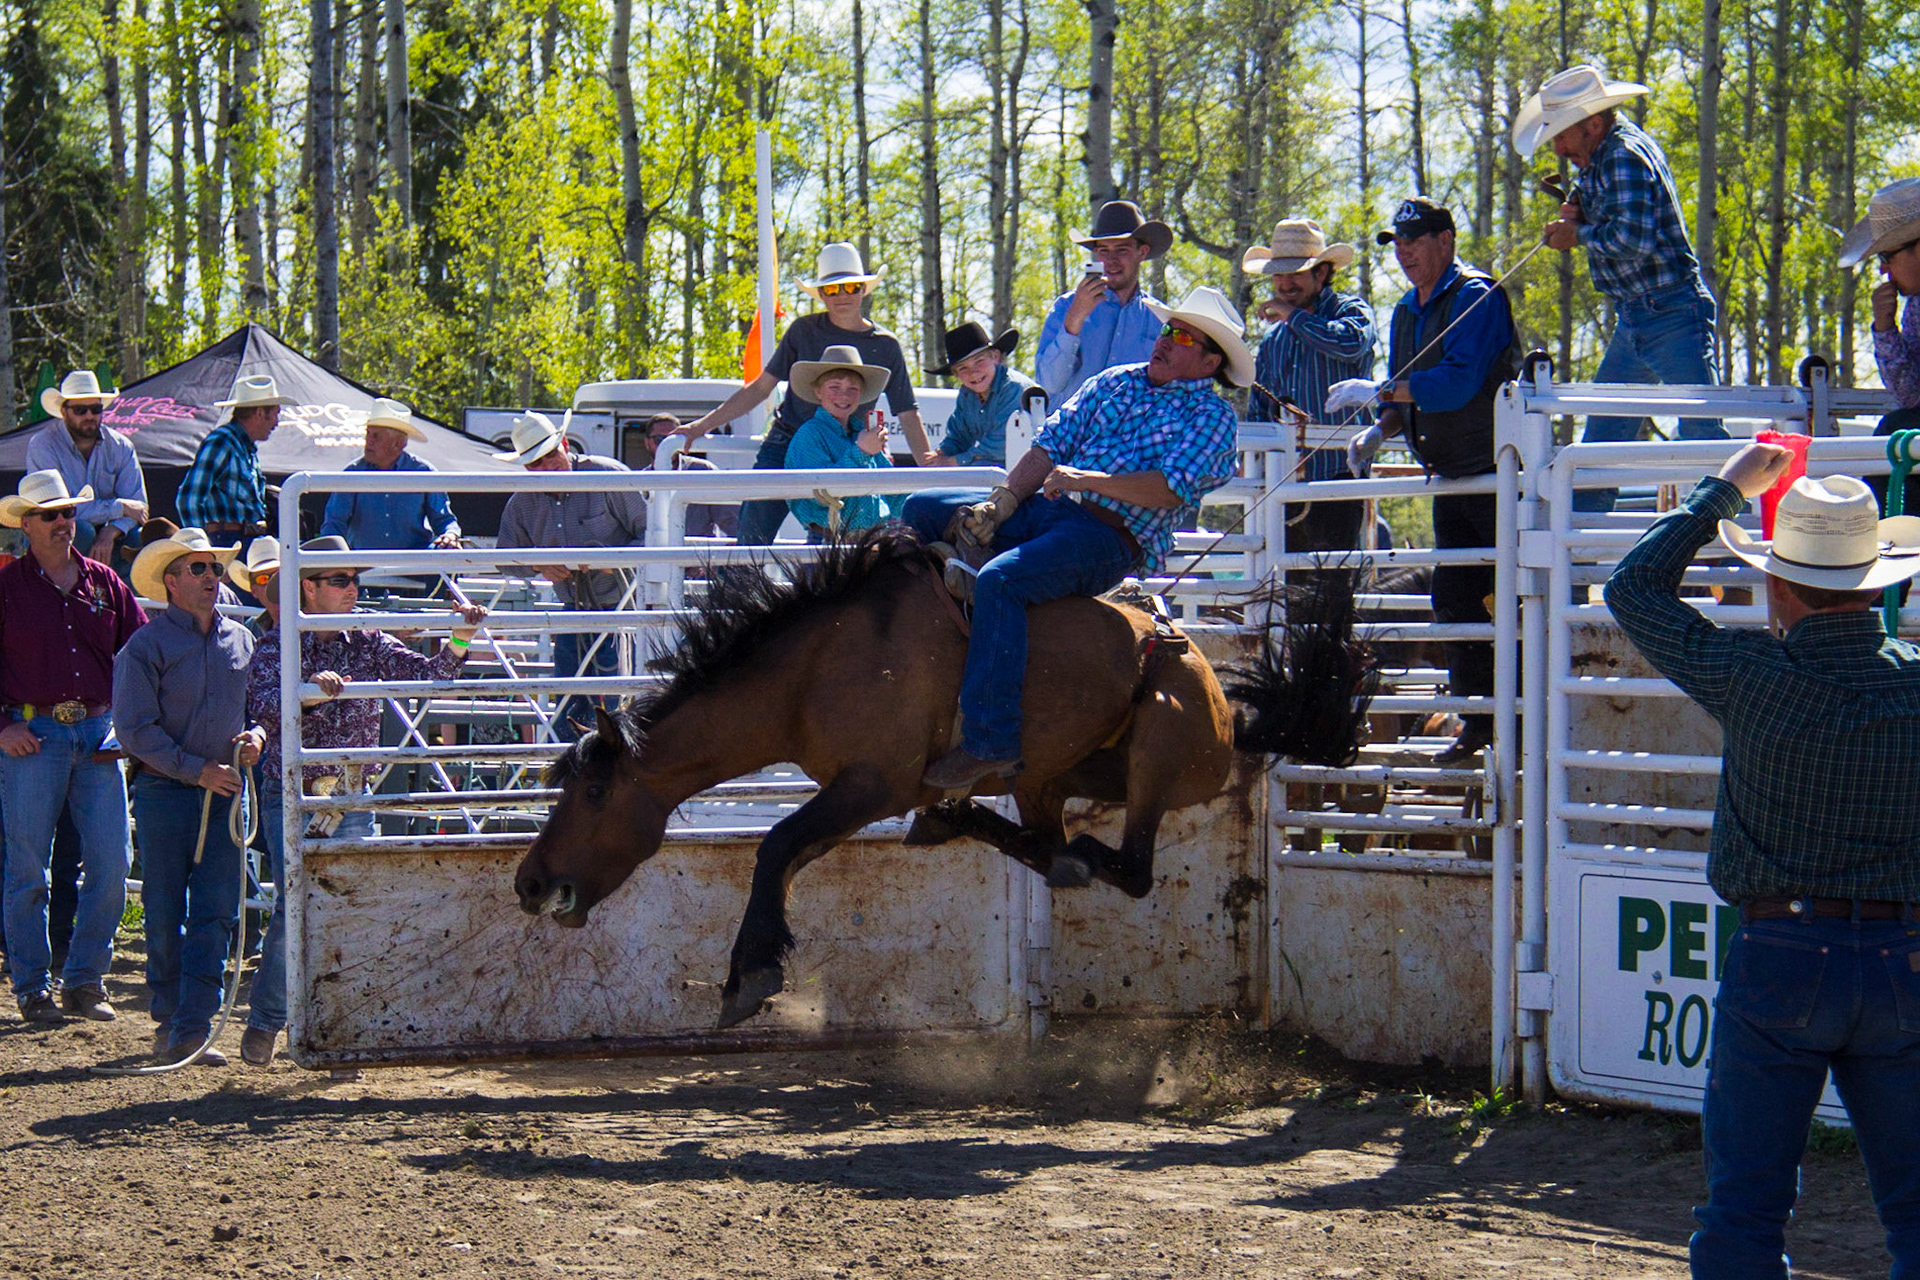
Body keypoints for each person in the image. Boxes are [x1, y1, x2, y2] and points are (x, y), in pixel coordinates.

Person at [1603, 442, 1920, 1279]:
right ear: (1878, 585)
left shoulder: (1753, 674)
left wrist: (1727, 490)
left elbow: (1632, 589)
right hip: (1905, 957)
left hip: (1782, 951)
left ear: (1778, 587)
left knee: (1744, 1206)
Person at [902, 285, 1249, 789]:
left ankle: (991, 736)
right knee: (919, 508)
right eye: (1167, 330)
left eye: (1182, 337)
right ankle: (921, 669)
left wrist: (1088, 481)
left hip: (1108, 536)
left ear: (1210, 362)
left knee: (1002, 580)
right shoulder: (1114, 381)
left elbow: (1169, 489)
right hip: (1048, 506)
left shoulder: (1212, 417)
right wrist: (1002, 503)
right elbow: (1050, 445)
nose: (1164, 340)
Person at [239, 537, 485, 1066]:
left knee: (351, 904)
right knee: (296, 905)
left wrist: (461, 635)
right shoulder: (278, 645)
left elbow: (431, 676)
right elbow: (264, 706)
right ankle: (268, 1020)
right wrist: (306, 692)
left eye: (353, 580)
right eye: (340, 580)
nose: (352, 589)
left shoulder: (366, 640)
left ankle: (342, 1022)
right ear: (309, 587)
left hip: (350, 793)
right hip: (297, 791)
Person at [1344, 197, 1516, 765]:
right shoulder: (1405, 309)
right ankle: (1479, 719)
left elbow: (1456, 383)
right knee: (1455, 596)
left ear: (1446, 241)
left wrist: (1384, 393)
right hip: (1450, 474)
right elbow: (1404, 390)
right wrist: (1380, 428)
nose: (1404, 252)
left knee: (1511, 593)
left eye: (1415, 240)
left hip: (1495, 470)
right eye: (1397, 242)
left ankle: (1518, 714)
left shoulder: (1476, 295)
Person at [1516, 64, 1724, 514]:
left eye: (1562, 135)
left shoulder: (1622, 156)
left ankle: (1730, 542)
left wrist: (1577, 234)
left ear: (1593, 124)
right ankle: (1578, 543)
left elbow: (1634, 240)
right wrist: (1582, 215)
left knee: (1700, 434)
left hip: (1669, 312)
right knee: (1604, 443)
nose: (1559, 148)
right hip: (1642, 315)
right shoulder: (1609, 155)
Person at [0, 472, 147, 1024]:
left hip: (97, 729)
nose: (63, 522)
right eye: (50, 515)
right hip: (32, 732)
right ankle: (33, 986)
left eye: (67, 512)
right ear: (26, 524)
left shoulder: (105, 581)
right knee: (28, 868)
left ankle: (84, 979)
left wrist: (128, 725)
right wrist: (2, 727)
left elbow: (141, 656)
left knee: (113, 862)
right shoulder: (6, 587)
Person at [113, 526, 262, 1065]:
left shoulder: (243, 640)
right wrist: (196, 770)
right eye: (197, 568)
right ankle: (171, 1017)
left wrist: (257, 738)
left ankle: (192, 1025)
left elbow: (260, 711)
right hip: (166, 791)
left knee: (217, 910)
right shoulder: (144, 647)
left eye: (214, 568)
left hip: (224, 793)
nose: (210, 577)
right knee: (162, 910)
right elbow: (134, 729)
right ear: (171, 581)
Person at [673, 243, 930, 546]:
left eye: (851, 286)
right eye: (832, 288)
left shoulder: (886, 344)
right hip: (787, 441)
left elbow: (908, 413)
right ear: (820, 294)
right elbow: (761, 387)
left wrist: (931, 472)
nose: (842, 295)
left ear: (863, 289)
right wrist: (701, 426)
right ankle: (737, 578)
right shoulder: (802, 331)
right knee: (752, 539)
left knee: (836, 540)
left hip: (844, 449)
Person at [493, 413, 648, 738]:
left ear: (564, 444)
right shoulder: (522, 503)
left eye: (551, 455)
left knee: (616, 703)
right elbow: (503, 557)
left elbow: (652, 534)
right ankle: (572, 762)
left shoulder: (606, 476)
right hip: (574, 614)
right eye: (536, 463)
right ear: (527, 468)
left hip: (622, 613)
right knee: (570, 705)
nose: (547, 467)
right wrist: (538, 564)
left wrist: (614, 560)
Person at [1241, 217, 1376, 569]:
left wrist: (1293, 317)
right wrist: (1252, 465)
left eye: (1295, 274)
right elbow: (1261, 407)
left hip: (1340, 472)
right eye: (1279, 275)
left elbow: (1351, 343)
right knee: (1287, 580)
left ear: (1321, 273)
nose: (1285, 284)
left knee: (1334, 578)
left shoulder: (1351, 311)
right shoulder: (1273, 340)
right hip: (1285, 478)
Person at [1034, 200, 1172, 403]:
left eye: (1122, 250)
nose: (1111, 260)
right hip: (1072, 423)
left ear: (1142, 252)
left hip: (1131, 424)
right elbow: (1049, 383)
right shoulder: (1066, 306)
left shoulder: (1161, 319)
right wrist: (1075, 318)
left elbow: (1170, 389)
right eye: (1103, 251)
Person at [1840, 178, 1920, 515]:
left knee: (1895, 429)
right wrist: (1885, 329)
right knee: (1898, 428)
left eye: (1887, 255)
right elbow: (1912, 395)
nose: (1884, 269)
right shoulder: (1916, 304)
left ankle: (1879, 534)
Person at [28, 369, 150, 565]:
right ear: (64, 412)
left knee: (138, 537)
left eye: (95, 409)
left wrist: (111, 531)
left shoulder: (121, 446)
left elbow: (138, 508)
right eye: (80, 410)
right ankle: (65, 585)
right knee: (82, 531)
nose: (89, 415)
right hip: (56, 528)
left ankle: (119, 587)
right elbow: (59, 510)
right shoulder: (43, 445)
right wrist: (120, 507)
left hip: (105, 533)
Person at [318, 398, 462, 552]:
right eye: (368, 433)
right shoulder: (352, 473)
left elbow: (443, 520)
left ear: (399, 443)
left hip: (415, 563)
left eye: (376, 436)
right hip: (364, 563)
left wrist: (450, 534)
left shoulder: (424, 472)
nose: (368, 441)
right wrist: (334, 555)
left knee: (448, 551)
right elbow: (334, 524)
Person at [784, 347, 898, 538]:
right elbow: (821, 493)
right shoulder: (809, 434)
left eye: (853, 389)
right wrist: (862, 451)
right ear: (818, 392)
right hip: (830, 538)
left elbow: (892, 488)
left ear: (860, 394)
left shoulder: (861, 432)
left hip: (873, 538)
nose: (844, 396)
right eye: (834, 387)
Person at [178, 373, 289, 544]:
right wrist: (202, 546)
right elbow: (188, 499)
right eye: (275, 414)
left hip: (249, 539)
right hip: (228, 541)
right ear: (259, 413)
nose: (276, 422)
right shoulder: (222, 442)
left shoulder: (245, 448)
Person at [925, 322, 1032, 468]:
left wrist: (953, 462)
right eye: (963, 368)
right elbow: (959, 436)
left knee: (971, 472)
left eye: (979, 361)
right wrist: (940, 454)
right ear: (956, 374)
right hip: (1002, 469)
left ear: (995, 357)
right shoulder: (967, 394)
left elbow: (1000, 446)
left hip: (1032, 469)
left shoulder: (1014, 388)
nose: (973, 372)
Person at [632, 413, 738, 541]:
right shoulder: (640, 483)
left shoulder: (702, 471)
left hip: (697, 552)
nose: (666, 444)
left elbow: (731, 520)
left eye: (672, 439)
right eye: (659, 439)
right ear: (647, 443)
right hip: (654, 552)